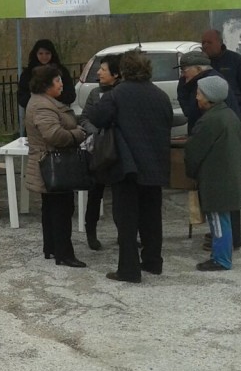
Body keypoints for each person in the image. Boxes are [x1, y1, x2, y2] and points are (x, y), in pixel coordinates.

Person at [85, 49, 173, 284]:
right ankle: (153, 261)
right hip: (155, 164)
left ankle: (129, 269)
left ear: (123, 70)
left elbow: (97, 117)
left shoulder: (117, 94)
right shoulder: (160, 95)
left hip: (127, 166)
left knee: (126, 218)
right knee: (152, 217)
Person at [177, 50, 241, 250]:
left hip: (224, 153)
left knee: (225, 201)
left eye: (185, 70)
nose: (183, 74)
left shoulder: (210, 85)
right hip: (225, 150)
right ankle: (225, 237)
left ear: (198, 69)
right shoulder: (204, 81)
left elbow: (196, 114)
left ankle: (229, 241)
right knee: (225, 201)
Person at [24, 64, 87, 268]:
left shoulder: (43, 102)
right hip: (54, 165)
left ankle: (51, 247)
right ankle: (64, 253)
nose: (62, 84)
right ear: (46, 84)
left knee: (51, 207)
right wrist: (78, 133)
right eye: (57, 80)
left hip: (50, 163)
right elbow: (54, 135)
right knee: (61, 209)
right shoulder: (43, 106)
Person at [185, 74, 241, 271]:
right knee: (221, 218)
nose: (197, 97)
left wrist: (190, 172)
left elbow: (194, 151)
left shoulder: (211, 120)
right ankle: (220, 256)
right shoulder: (228, 115)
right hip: (227, 176)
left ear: (210, 96)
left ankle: (221, 259)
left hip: (216, 179)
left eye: (199, 93)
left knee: (218, 220)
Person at [79, 53, 121, 251]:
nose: (98, 72)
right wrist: (96, 131)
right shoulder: (95, 93)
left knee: (121, 196)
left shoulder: (122, 93)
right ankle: (91, 232)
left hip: (118, 150)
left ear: (116, 74)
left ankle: (124, 233)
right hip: (98, 151)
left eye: (103, 69)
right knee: (95, 193)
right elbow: (84, 118)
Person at [201, 29, 241, 117]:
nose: (205, 46)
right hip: (205, 114)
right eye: (203, 43)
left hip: (233, 112)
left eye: (209, 42)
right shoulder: (200, 63)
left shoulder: (235, 60)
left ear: (220, 43)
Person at [17, 39, 76, 110]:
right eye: (40, 53)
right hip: (36, 110)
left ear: (52, 54)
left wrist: (55, 96)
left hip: (58, 109)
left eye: (47, 53)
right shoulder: (28, 73)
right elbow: (22, 97)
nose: (44, 57)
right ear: (35, 54)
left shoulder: (62, 71)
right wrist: (38, 100)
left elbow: (71, 95)